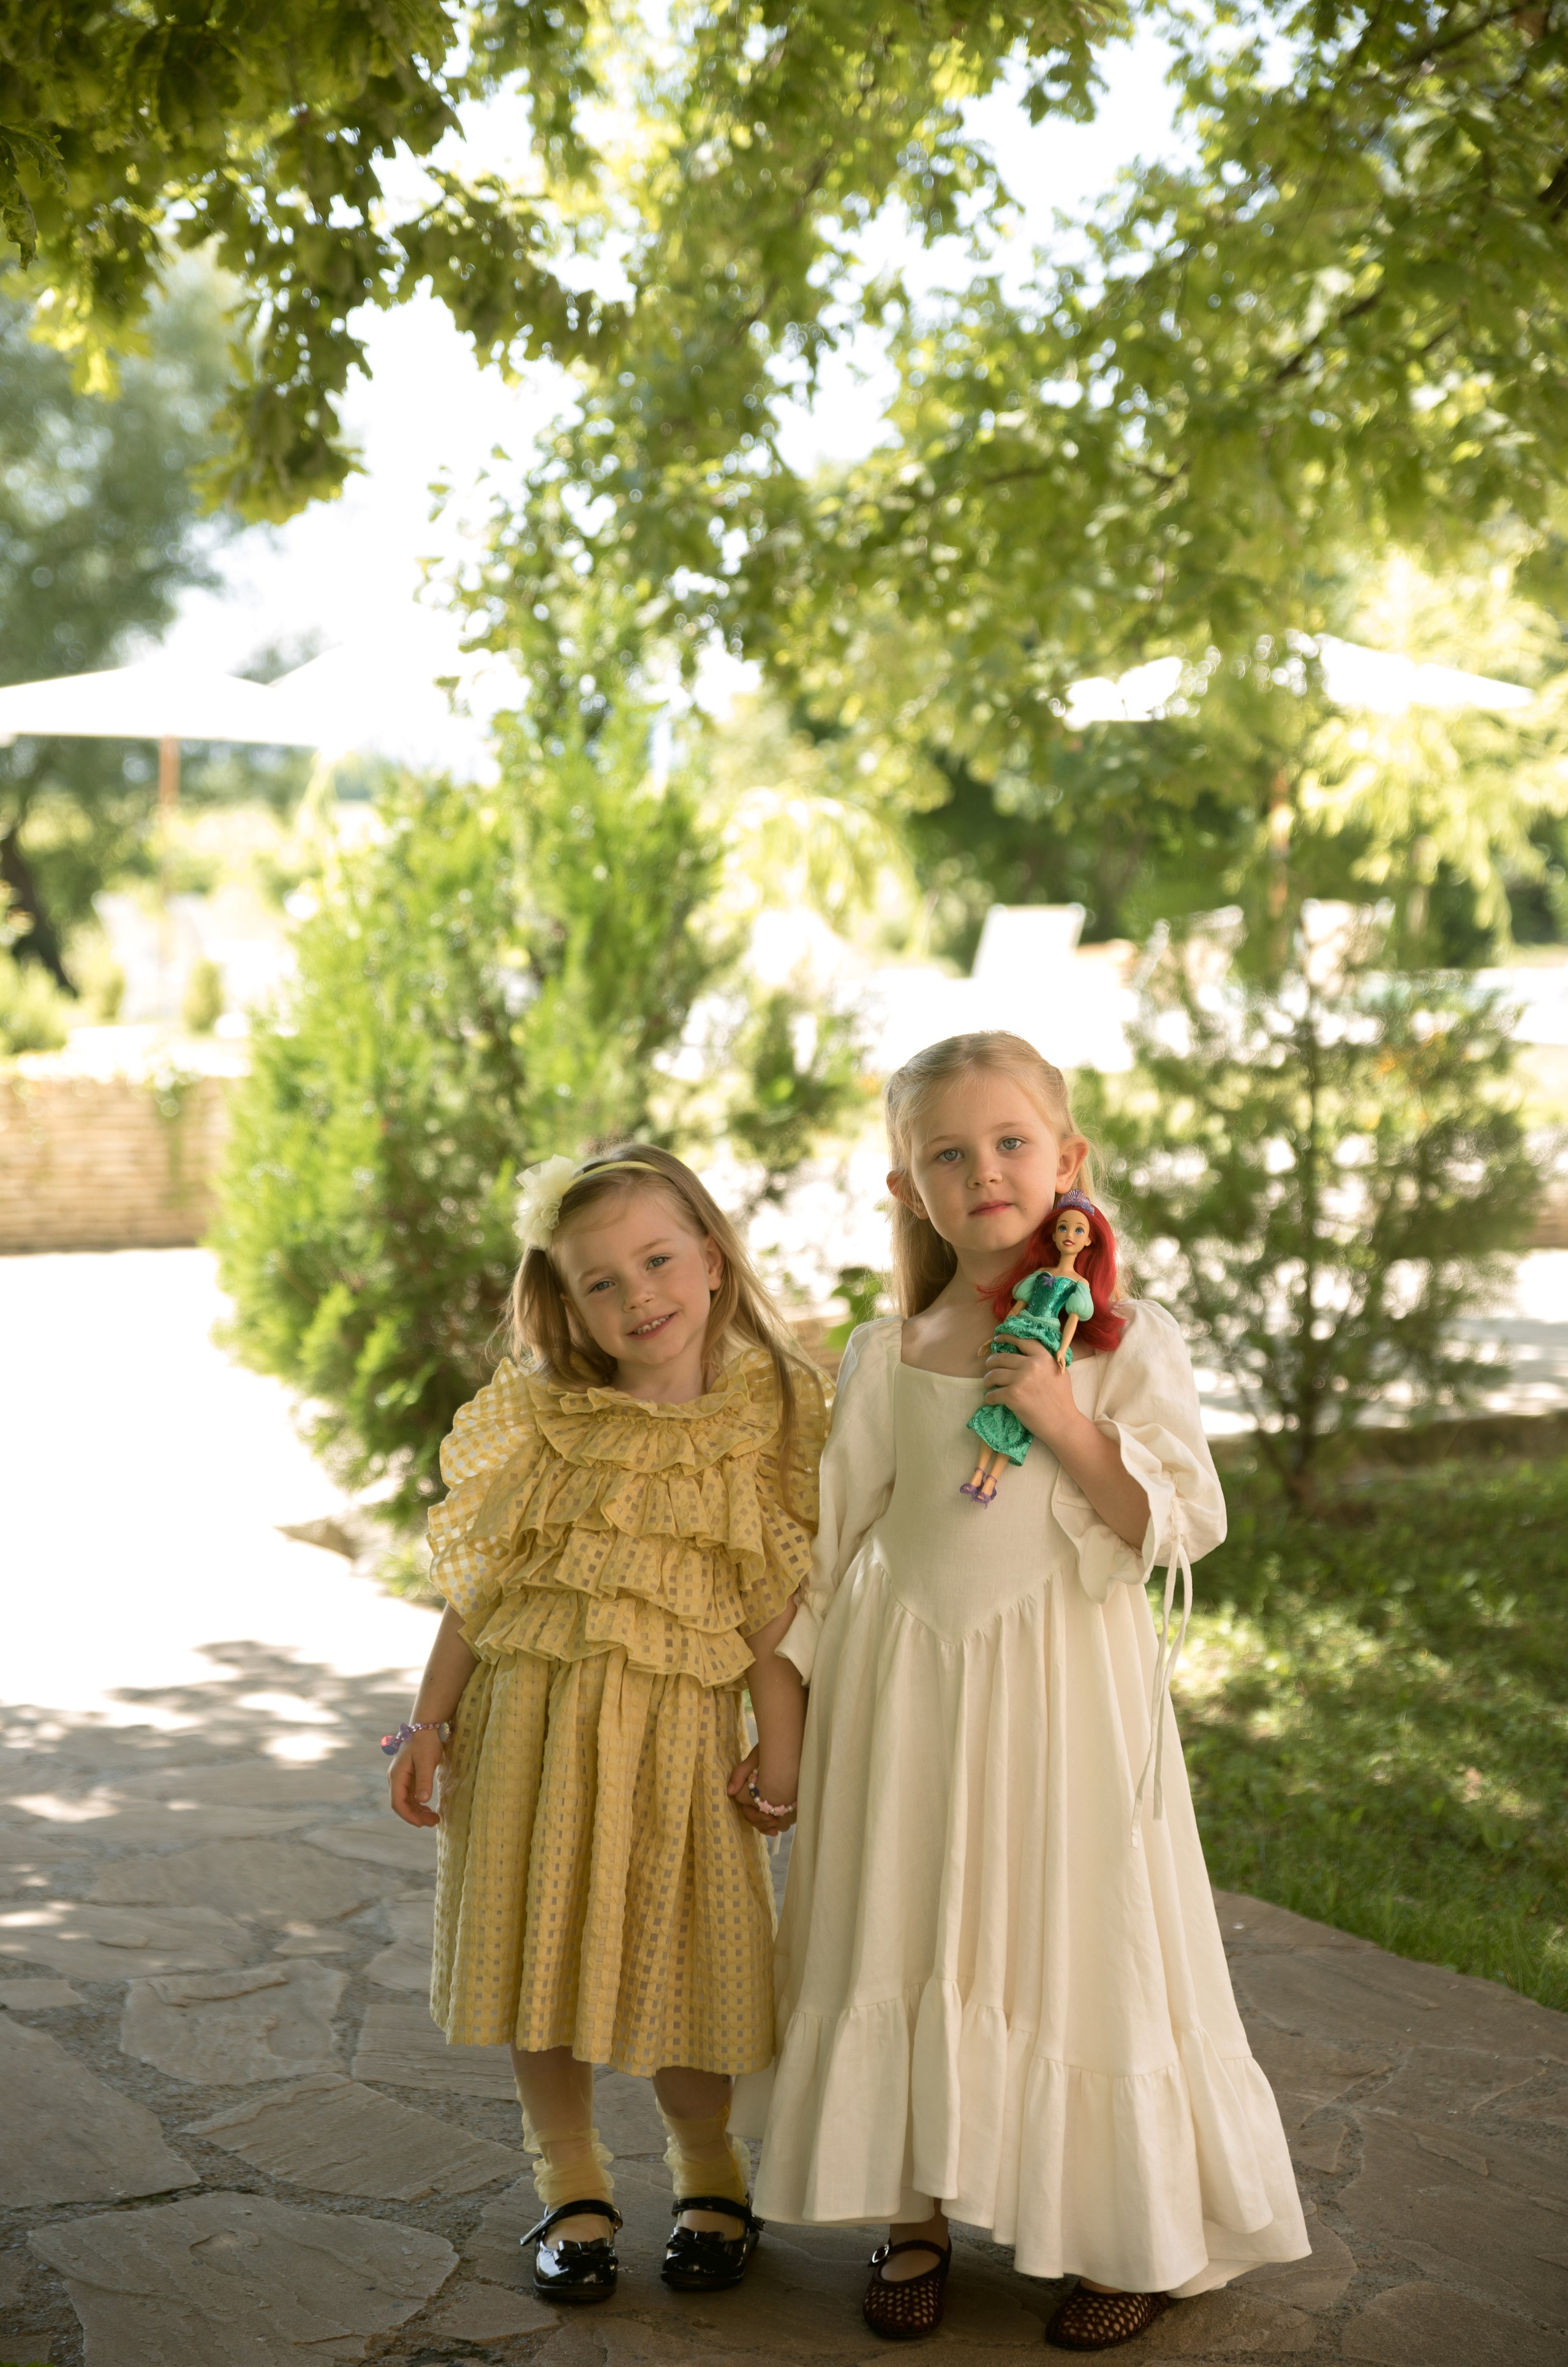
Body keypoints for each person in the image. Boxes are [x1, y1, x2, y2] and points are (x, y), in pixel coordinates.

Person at [739, 1033, 1308, 2350]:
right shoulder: (888, 1354)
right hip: (906, 1689)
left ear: (1068, 1161)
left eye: (1008, 1142)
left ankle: (1130, 2231)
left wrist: (1059, 1416)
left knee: (1074, 1934)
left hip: (1059, 1687)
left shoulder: (1120, 1340)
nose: (982, 1170)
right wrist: (780, 1727)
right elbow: (828, 1551)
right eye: (945, 1153)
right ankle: (913, 2208)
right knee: (907, 1915)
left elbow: (1175, 1520)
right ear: (904, 1190)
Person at [385, 1146, 827, 2306]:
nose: (640, 1296)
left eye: (658, 1259)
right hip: (526, 1741)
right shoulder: (547, 1425)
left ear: (715, 1260)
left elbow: (778, 1619)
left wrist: (782, 1756)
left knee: (692, 1973)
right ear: (565, 1301)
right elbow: (481, 1592)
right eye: (602, 1281)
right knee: (544, 1969)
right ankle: (572, 2185)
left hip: (680, 1759)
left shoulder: (765, 1426)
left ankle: (709, 2173)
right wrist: (428, 1722)